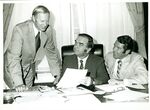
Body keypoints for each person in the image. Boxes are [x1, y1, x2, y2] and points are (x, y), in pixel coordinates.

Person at [4, 5, 61, 92]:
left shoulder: (48, 30)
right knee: (16, 98)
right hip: (12, 70)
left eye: (47, 21)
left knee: (29, 97)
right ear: (34, 18)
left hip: (29, 69)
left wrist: (57, 74)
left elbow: (51, 52)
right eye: (42, 21)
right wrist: (19, 83)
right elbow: (13, 58)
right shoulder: (20, 30)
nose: (45, 24)